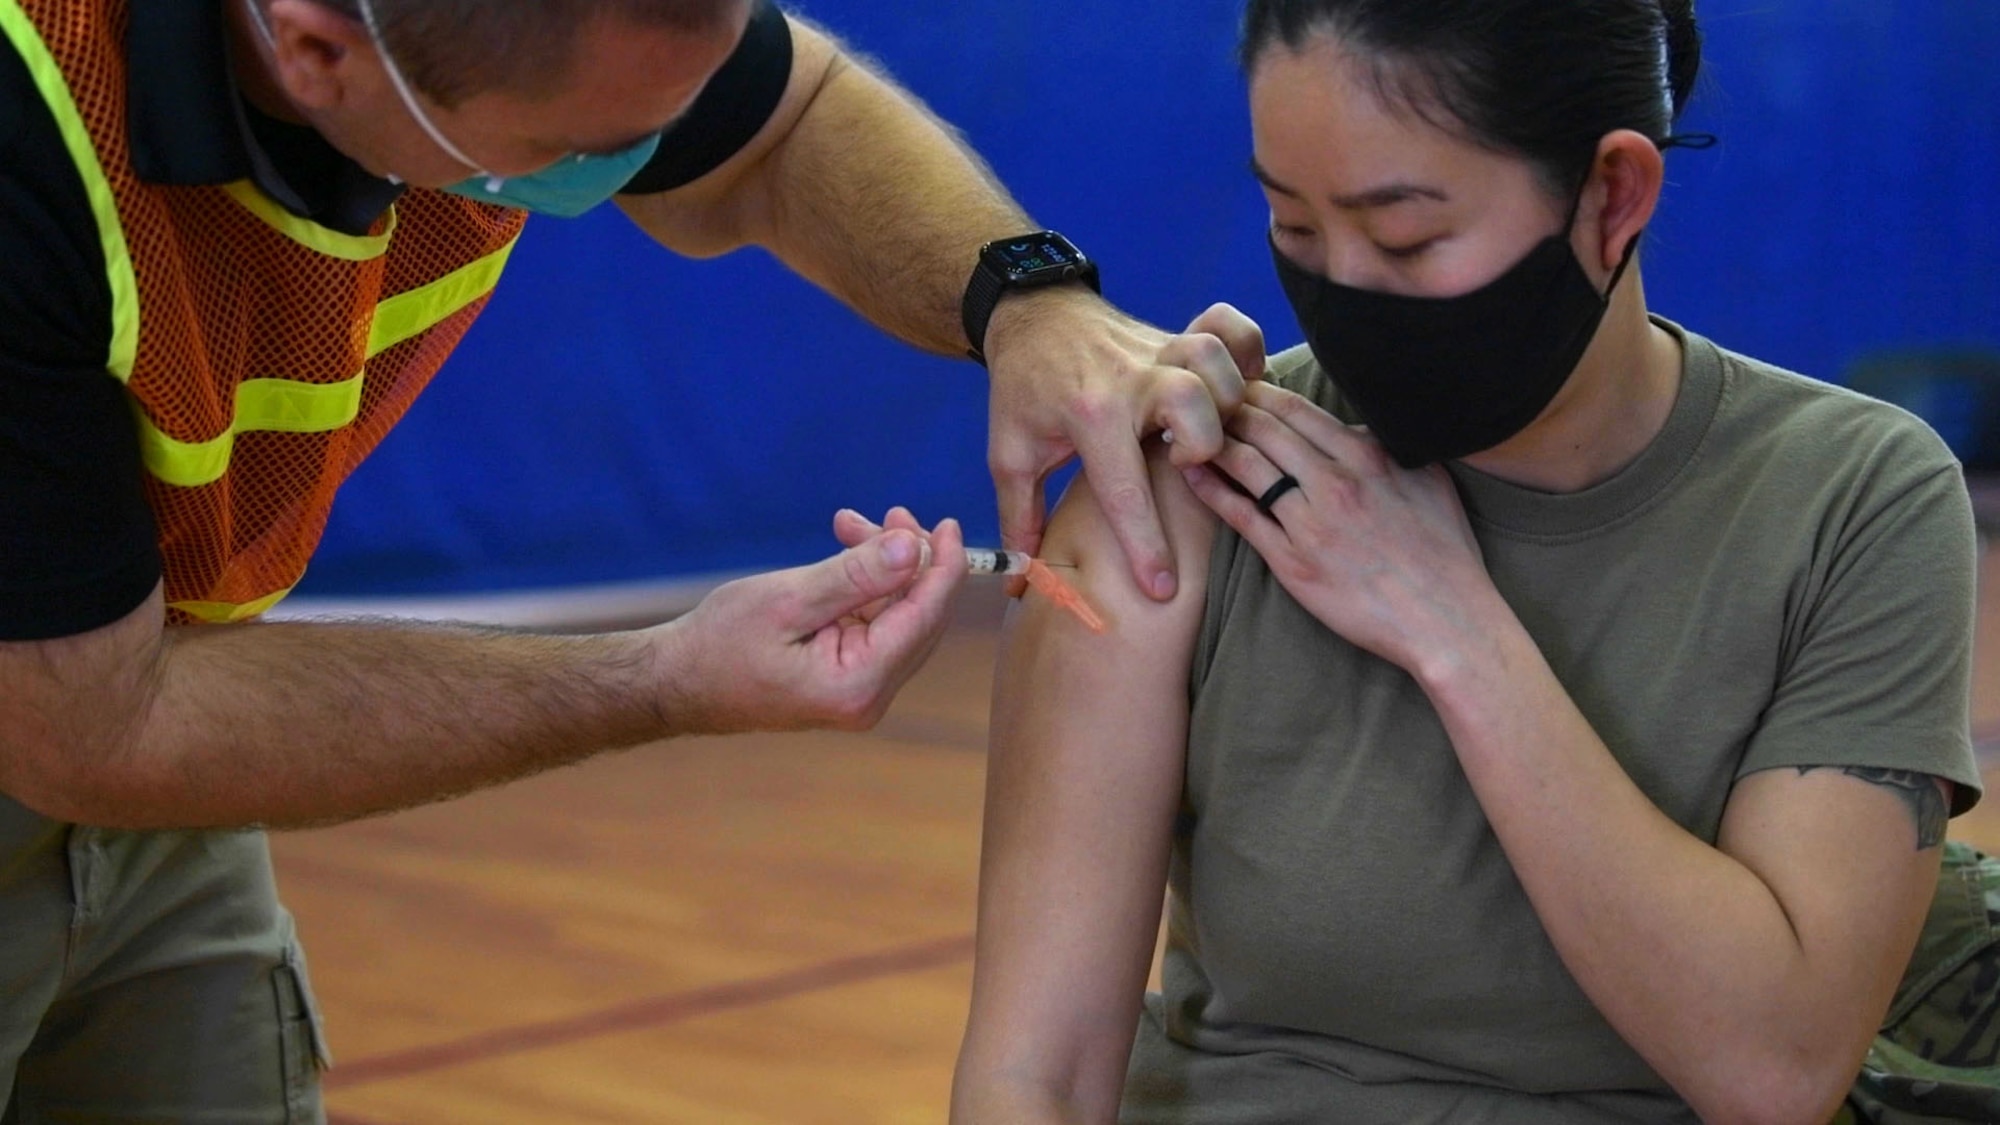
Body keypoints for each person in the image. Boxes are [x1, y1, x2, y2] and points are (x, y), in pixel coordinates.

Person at [0, 0, 1264, 1117]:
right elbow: (96, 730)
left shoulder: (508, 44)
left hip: (147, 696)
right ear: (318, 52)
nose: (639, 165)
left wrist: (1028, 301)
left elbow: (784, 124)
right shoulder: (34, 129)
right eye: (578, 148)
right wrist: (656, 679)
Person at [950, 1, 1987, 1122]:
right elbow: (1032, 1076)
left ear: (1612, 196)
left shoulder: (1852, 499)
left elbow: (1772, 1068)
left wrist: (1453, 628)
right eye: (1294, 225)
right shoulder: (1197, 472)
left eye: (1405, 238)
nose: (1343, 291)